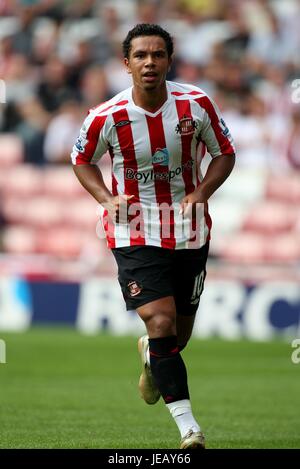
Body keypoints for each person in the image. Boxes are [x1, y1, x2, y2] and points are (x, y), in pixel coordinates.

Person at [71, 23, 235, 449]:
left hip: (189, 230)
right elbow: (81, 159)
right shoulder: (106, 116)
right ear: (126, 63)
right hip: (134, 230)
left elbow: (225, 153)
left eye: (157, 55)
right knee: (160, 321)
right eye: (140, 55)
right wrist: (106, 199)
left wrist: (201, 192)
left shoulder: (196, 104)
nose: (149, 62)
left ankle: (151, 357)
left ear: (169, 60)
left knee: (175, 340)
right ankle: (189, 430)